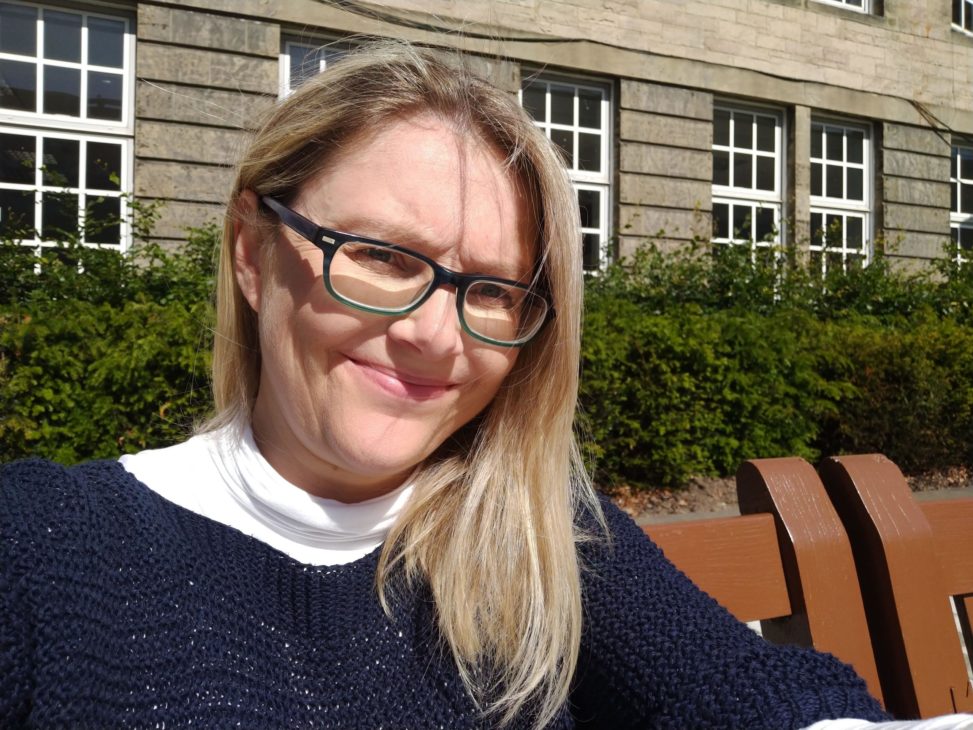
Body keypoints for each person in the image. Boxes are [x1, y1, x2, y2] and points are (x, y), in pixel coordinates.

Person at [0, 41, 952, 729]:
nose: (431, 335)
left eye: (492, 290)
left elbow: (739, 691)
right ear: (254, 252)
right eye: (377, 255)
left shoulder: (539, 538)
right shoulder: (42, 551)